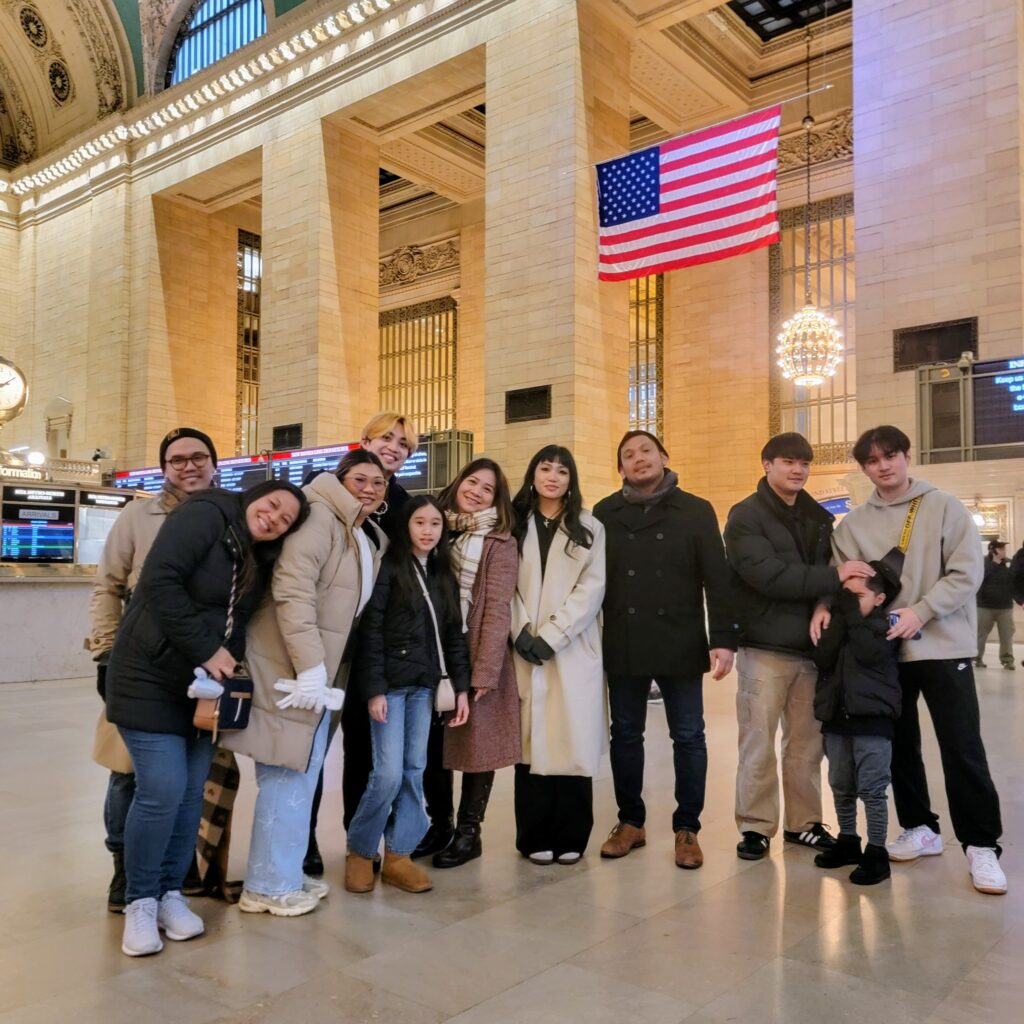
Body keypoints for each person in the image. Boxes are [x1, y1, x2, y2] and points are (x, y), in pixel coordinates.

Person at [105, 480, 308, 956]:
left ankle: (171, 893)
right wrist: (207, 649)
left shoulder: (256, 557)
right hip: (146, 677)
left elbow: (236, 624)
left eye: (285, 520)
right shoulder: (208, 514)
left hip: (201, 690)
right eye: (273, 505)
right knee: (161, 791)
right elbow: (158, 581)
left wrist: (228, 669)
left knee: (191, 793)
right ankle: (139, 901)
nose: (274, 518)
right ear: (256, 495)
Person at [813, 425, 1006, 896]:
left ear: (907, 456)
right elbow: (847, 582)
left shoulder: (944, 506)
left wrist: (920, 610)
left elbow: (966, 573)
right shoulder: (853, 525)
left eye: (892, 455)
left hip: (942, 646)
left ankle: (981, 844)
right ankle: (921, 827)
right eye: (874, 460)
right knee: (897, 744)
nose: (885, 466)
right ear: (864, 468)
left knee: (961, 744)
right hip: (884, 653)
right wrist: (826, 603)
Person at [223, 451, 388, 916]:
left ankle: (283, 873)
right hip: (289, 671)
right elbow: (293, 592)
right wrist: (312, 668)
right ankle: (267, 887)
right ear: (340, 478)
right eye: (361, 479)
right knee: (284, 775)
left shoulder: (353, 527)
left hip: (313, 673)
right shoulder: (319, 516)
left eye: (379, 482)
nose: (371, 489)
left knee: (300, 772)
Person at [724, 432, 873, 861]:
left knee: (806, 746)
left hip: (811, 650)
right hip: (764, 646)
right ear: (767, 464)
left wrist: (825, 601)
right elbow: (767, 575)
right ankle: (755, 827)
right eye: (788, 461)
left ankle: (803, 824)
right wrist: (835, 579)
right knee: (757, 742)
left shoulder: (818, 517)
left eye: (804, 463)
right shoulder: (746, 516)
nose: (798, 470)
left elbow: (827, 569)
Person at [87, 427, 217, 913]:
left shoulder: (229, 513)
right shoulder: (140, 515)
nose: (189, 466)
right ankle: (125, 867)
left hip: (202, 671)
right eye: (177, 459)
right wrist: (105, 651)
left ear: (213, 461)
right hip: (138, 664)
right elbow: (108, 585)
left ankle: (177, 867)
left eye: (198, 457)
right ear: (164, 468)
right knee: (129, 770)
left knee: (191, 774)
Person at [594, 430, 737, 869]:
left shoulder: (695, 510)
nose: (639, 459)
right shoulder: (605, 513)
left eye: (646, 451)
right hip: (624, 638)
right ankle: (630, 821)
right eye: (628, 455)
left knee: (690, 735)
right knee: (626, 734)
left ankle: (687, 827)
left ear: (663, 457)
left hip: (680, 636)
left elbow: (717, 577)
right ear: (620, 468)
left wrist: (724, 639)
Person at [345, 497, 471, 894]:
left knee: (415, 769)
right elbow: (371, 631)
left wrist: (462, 689)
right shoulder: (391, 568)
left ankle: (399, 853)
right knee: (386, 773)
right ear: (406, 526)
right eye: (420, 522)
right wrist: (375, 690)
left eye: (436, 523)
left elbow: (453, 636)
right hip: (391, 687)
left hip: (425, 687)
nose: (429, 530)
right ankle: (361, 850)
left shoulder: (442, 573)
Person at [320, 411, 418, 876]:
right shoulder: (324, 494)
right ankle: (302, 844)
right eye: (386, 437)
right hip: (322, 644)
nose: (395, 446)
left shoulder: (403, 506)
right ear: (363, 441)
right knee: (311, 747)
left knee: (366, 750)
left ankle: (363, 845)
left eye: (404, 444)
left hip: (375, 647)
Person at [510, 446, 606, 864]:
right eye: (545, 468)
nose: (552, 476)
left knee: (572, 739)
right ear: (532, 474)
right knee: (530, 744)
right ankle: (533, 835)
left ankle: (571, 835)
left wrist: (552, 634)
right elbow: (501, 584)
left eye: (562, 470)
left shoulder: (589, 526)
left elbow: (592, 588)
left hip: (571, 647)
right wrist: (522, 630)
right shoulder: (512, 524)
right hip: (523, 646)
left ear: (572, 480)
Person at [426, 459, 520, 869]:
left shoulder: (500, 542)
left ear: (497, 501)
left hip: (476, 646)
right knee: (432, 746)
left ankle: (469, 831)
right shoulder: (433, 526)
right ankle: (439, 824)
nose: (478, 492)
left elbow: (498, 608)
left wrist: (485, 671)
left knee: (475, 743)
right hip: (431, 646)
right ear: (458, 481)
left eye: (489, 489)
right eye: (473, 482)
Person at [812, 561, 902, 885]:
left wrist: (849, 615)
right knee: (840, 783)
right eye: (845, 596)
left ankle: (877, 851)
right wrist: (840, 617)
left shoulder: (886, 627)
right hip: (837, 718)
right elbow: (822, 658)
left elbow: (868, 653)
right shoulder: (840, 624)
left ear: (879, 599)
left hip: (872, 722)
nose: (849, 603)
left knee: (872, 789)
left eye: (858, 596)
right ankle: (848, 839)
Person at [976, 539, 1015, 670]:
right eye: (1002, 548)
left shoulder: (1009, 563)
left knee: (1007, 634)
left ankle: (1007, 660)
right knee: (981, 633)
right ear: (994, 550)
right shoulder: (983, 563)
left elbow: (1014, 581)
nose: (1004, 551)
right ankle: (977, 658)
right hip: (985, 606)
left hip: (1005, 606)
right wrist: (994, 563)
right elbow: (979, 579)